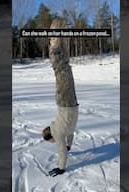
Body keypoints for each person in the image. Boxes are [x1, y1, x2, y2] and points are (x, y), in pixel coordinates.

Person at [42, 18, 79, 177]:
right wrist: (62, 165)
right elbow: (64, 146)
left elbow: (65, 145)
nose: (55, 143)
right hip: (66, 103)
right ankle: (59, 32)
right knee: (61, 65)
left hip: (71, 103)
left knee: (63, 66)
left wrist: (68, 149)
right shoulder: (61, 132)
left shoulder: (63, 132)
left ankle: (59, 32)